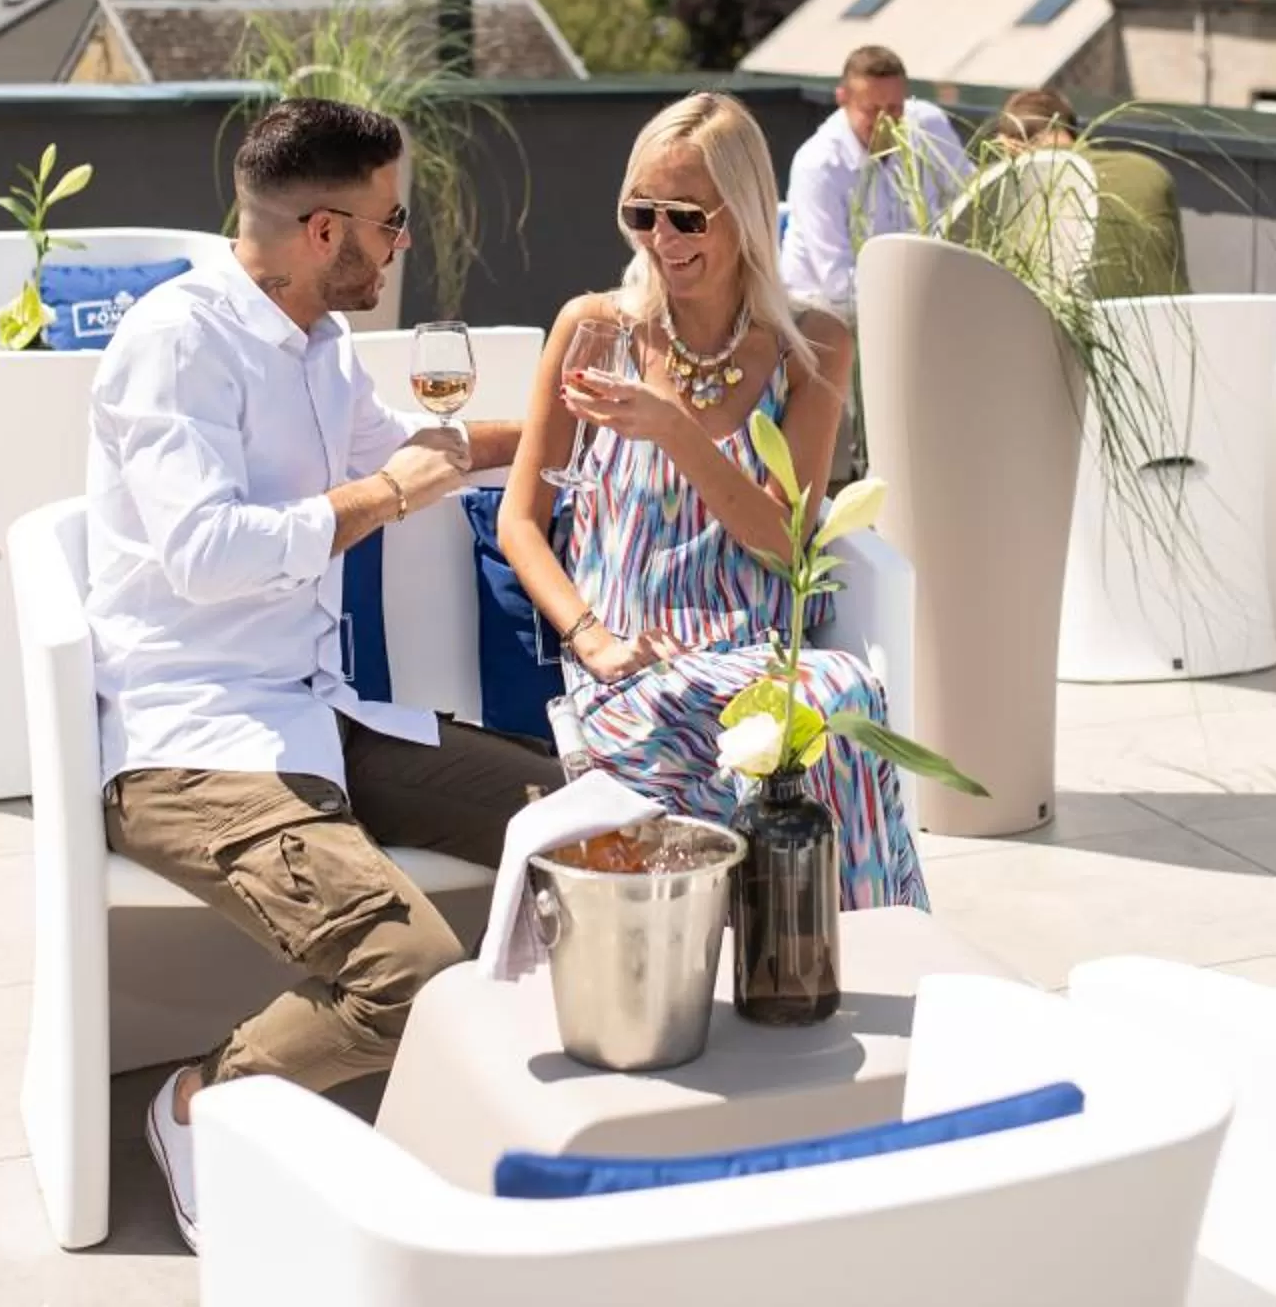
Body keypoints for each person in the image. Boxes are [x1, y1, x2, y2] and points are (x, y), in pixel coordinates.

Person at [84, 97, 557, 1251]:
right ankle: (200, 1103)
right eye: (391, 224)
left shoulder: (317, 342)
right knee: (405, 971)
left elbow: (399, 445)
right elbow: (204, 553)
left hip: (316, 711)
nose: (404, 245)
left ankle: (520, 1104)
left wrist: (564, 422)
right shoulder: (178, 342)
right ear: (322, 231)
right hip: (193, 743)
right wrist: (382, 498)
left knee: (577, 828)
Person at [496, 91, 929, 911]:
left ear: (747, 213)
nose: (662, 239)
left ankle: (853, 953)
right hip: (628, 665)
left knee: (833, 703)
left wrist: (675, 432)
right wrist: (590, 640)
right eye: (642, 213)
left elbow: (781, 545)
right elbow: (524, 519)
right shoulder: (593, 328)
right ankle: (847, 947)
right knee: (819, 718)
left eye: (687, 218)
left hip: (756, 660)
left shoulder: (814, 346)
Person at [778, 45, 968, 316]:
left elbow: (970, 196)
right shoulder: (818, 165)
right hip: (822, 316)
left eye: (894, 108)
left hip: (914, 299)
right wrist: (918, 299)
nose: (885, 122)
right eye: (871, 109)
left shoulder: (928, 125)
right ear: (842, 99)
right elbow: (836, 283)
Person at [990, 86, 1190, 298]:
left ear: (1008, 143)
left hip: (1056, 329)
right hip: (1165, 327)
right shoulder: (1150, 172)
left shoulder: (999, 185)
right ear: (1072, 132)